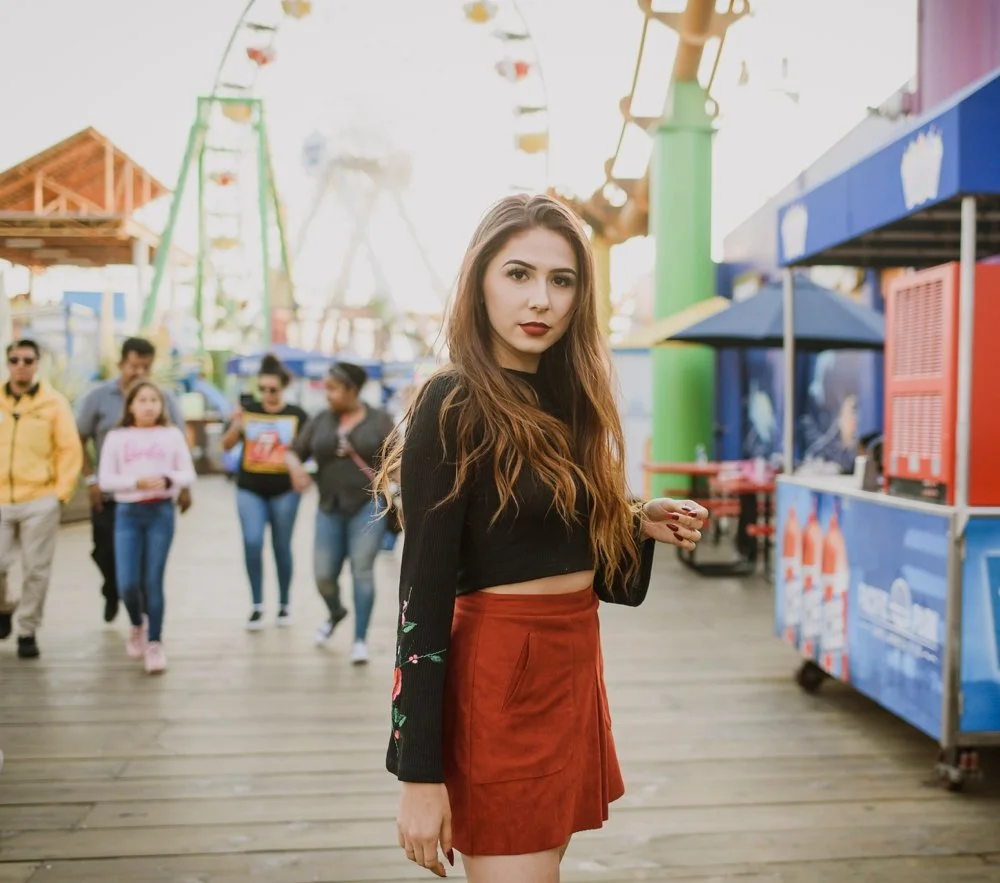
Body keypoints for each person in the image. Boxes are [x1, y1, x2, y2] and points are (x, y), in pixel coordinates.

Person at [373, 194, 709, 881]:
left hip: (571, 661)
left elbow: (588, 563)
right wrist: (417, 772)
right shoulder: (453, 401)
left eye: (562, 280)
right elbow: (422, 596)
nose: (542, 300)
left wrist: (631, 518)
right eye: (518, 274)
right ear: (480, 281)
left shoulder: (569, 397)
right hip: (501, 671)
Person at [76, 337, 191, 624]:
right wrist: (91, 479)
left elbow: (180, 440)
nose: (139, 373)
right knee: (104, 551)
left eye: (146, 367)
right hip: (110, 493)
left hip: (152, 499)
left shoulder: (161, 398)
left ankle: (140, 619)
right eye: (134, 366)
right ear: (121, 364)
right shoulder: (99, 397)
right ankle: (112, 590)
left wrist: (182, 486)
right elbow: (79, 438)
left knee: (143, 565)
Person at [286, 361, 394, 664]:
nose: (328, 394)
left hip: (368, 506)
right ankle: (336, 612)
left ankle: (360, 639)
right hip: (329, 506)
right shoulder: (321, 420)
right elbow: (296, 451)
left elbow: (398, 456)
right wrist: (296, 470)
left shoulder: (379, 420)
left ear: (352, 390)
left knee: (362, 570)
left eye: (333, 388)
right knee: (324, 576)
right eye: (326, 388)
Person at [98, 381, 196, 674]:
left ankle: (155, 642)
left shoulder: (171, 435)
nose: (149, 405)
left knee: (153, 580)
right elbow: (105, 480)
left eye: (155, 400)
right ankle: (136, 624)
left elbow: (187, 471)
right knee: (127, 582)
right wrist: (134, 482)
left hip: (160, 513)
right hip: (128, 512)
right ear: (130, 405)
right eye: (142, 400)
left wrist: (168, 479)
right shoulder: (117, 437)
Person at [0, 339, 83, 659]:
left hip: (39, 498)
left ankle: (27, 629)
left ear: (37, 364)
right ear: (8, 362)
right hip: (2, 500)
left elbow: (69, 449)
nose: (21, 365)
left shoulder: (53, 404)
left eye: (28, 360)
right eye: (15, 359)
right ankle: (5, 606)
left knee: (36, 568)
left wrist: (60, 493)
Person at [221, 353, 309, 630]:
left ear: (284, 387)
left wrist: (301, 472)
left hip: (284, 490)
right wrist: (236, 422)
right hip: (250, 488)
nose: (267, 394)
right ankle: (257, 604)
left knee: (281, 546)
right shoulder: (247, 410)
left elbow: (308, 452)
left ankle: (284, 603)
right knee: (252, 541)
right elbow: (225, 445)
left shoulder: (297, 414)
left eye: (273, 389)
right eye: (262, 388)